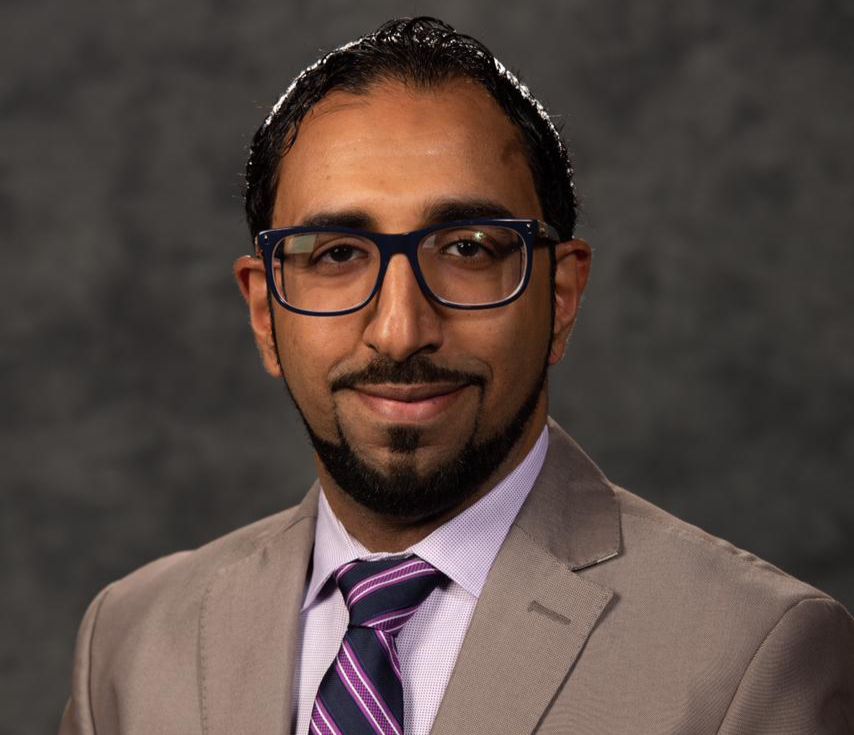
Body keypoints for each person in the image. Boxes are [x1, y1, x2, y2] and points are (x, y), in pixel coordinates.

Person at [59, 16, 852, 735]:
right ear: (266, 314)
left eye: (469, 249)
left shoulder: (754, 658)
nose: (400, 330)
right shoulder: (128, 645)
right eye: (337, 254)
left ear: (561, 297)